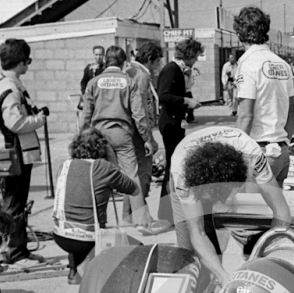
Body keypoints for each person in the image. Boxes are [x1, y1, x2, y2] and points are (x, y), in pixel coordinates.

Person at [169, 126, 291, 284]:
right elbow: (197, 233)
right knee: (187, 255)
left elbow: (281, 210)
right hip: (190, 173)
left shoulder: (252, 155)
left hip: (233, 161)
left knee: (247, 235)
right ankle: (199, 292)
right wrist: (222, 276)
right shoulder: (183, 177)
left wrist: (265, 256)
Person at [0, 38, 47, 267]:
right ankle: (14, 252)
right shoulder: (11, 88)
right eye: (27, 61)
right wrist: (38, 119)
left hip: (3, 151)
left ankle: (18, 249)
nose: (28, 66)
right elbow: (14, 122)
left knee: (13, 202)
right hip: (16, 154)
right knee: (14, 204)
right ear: (20, 62)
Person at [52, 127, 139, 284]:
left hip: (60, 236)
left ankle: (74, 272)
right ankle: (91, 271)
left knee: (76, 220)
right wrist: (113, 160)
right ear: (103, 148)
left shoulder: (65, 165)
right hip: (89, 239)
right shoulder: (103, 167)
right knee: (137, 247)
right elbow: (133, 188)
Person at [82, 45, 152, 231]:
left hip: (98, 137)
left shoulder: (93, 82)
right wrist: (146, 138)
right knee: (132, 176)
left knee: (97, 178)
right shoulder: (129, 82)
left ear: (106, 61)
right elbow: (139, 114)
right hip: (122, 135)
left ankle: (96, 222)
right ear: (123, 63)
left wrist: (81, 137)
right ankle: (141, 222)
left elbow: (85, 114)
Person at [233, 6, 294, 188]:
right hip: (281, 151)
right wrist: (283, 142)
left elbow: (246, 115)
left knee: (252, 213)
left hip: (258, 152)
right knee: (276, 213)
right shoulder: (282, 64)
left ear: (239, 32)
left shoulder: (247, 63)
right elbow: (291, 113)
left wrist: (235, 152)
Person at [124, 41, 170, 233]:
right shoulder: (141, 76)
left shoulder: (129, 71)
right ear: (150, 60)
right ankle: (142, 218)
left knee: (130, 176)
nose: (159, 66)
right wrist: (148, 138)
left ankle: (129, 215)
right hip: (138, 133)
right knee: (143, 176)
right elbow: (141, 109)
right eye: (157, 61)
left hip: (129, 132)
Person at [157, 37, 203, 222]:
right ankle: (167, 213)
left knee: (174, 166)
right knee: (171, 167)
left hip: (177, 121)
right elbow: (164, 96)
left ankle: (170, 211)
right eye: (196, 56)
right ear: (189, 54)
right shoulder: (171, 69)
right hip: (170, 123)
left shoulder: (181, 70)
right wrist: (186, 101)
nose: (197, 60)